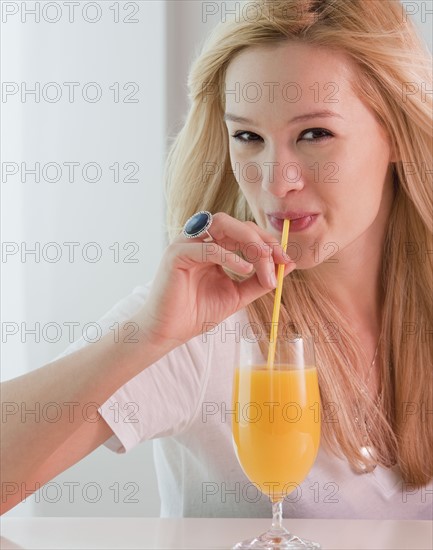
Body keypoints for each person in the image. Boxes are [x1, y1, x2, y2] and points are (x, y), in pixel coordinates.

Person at [2, 0, 432, 519]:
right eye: (248, 137)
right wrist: (150, 335)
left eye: (314, 134)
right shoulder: (204, 324)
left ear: (398, 133)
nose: (275, 182)